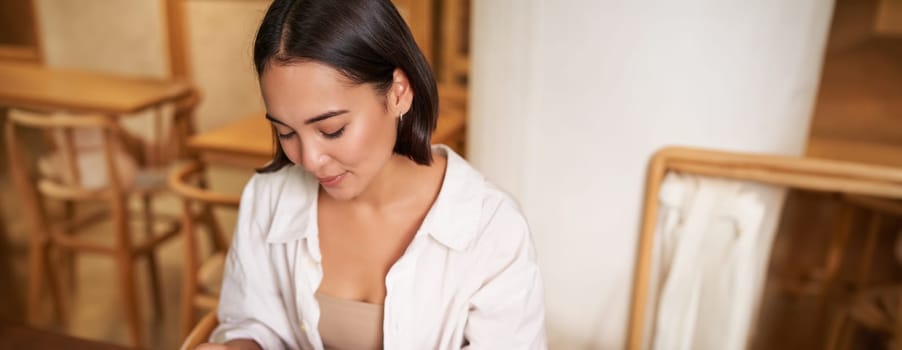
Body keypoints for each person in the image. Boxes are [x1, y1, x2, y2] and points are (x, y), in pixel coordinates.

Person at [195, 0, 546, 349]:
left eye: (331, 129)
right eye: (286, 132)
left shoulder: (493, 230)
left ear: (398, 93)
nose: (310, 159)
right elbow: (251, 323)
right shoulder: (268, 198)